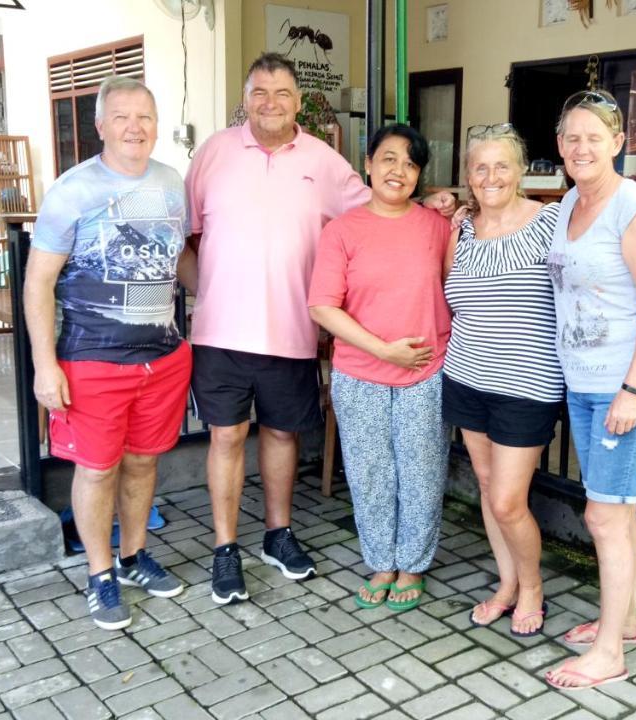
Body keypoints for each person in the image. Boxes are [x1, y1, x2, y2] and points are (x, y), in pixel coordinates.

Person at [182, 53, 456, 605]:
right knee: (227, 436)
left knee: (282, 434)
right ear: (245, 96)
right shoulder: (212, 153)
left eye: (282, 93)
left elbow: (381, 205)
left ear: (298, 100)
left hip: (290, 330)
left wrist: (437, 201)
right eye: (260, 91)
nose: (270, 103)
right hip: (220, 333)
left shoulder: (324, 161)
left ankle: (278, 536)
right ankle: (225, 548)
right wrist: (206, 292)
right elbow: (188, 239)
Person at [24, 76, 190, 630]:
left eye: (144, 116)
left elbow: (179, 262)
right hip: (92, 359)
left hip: (162, 357)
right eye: (121, 117)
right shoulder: (73, 190)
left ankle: (134, 557)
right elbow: (38, 283)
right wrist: (45, 366)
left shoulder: (171, 182)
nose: (134, 127)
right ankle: (100, 577)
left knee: (143, 462)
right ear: (100, 127)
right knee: (97, 470)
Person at [543, 90, 636, 689]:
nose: (581, 147)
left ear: (618, 143)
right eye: (571, 137)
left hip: (630, 388)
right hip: (584, 385)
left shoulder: (634, 208)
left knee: (602, 515)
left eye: (594, 137)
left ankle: (608, 653)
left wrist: (630, 389)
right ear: (560, 146)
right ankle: (622, 624)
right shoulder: (571, 200)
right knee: (616, 512)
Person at [308, 124, 452, 612]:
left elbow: (455, 290)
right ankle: (380, 561)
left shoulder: (438, 227)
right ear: (367, 164)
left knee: (422, 470)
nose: (399, 171)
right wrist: (383, 350)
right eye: (389, 158)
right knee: (370, 472)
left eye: (411, 164)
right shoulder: (342, 231)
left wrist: (453, 204)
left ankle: (412, 564)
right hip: (360, 374)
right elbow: (323, 307)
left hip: (426, 372)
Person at [443, 125, 562, 636]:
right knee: (490, 489)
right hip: (467, 375)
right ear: (468, 175)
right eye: (480, 167)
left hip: (527, 386)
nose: (491, 177)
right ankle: (507, 584)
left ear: (521, 170)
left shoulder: (550, 221)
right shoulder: (460, 229)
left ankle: (532, 587)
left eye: (501, 166)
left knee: (510, 500)